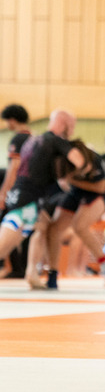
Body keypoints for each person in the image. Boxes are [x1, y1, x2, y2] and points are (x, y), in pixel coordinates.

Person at [0, 110, 86, 288]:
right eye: (71, 127)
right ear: (63, 123)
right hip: (29, 196)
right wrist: (80, 177)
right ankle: (32, 273)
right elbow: (79, 162)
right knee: (6, 243)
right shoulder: (56, 140)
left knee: (41, 227)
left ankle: (32, 273)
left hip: (24, 193)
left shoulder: (34, 140)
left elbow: (17, 168)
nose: (71, 132)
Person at [46, 140, 105, 287]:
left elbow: (101, 188)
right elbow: (64, 182)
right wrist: (69, 179)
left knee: (79, 226)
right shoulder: (61, 159)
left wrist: (71, 180)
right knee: (54, 228)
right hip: (75, 192)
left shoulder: (95, 160)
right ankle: (52, 273)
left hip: (96, 193)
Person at [0, 104, 32, 279]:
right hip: (31, 190)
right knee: (26, 229)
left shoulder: (18, 140)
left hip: (17, 189)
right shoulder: (33, 137)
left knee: (6, 224)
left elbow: (14, 168)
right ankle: (22, 268)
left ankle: (14, 267)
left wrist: (4, 193)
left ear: (12, 120)